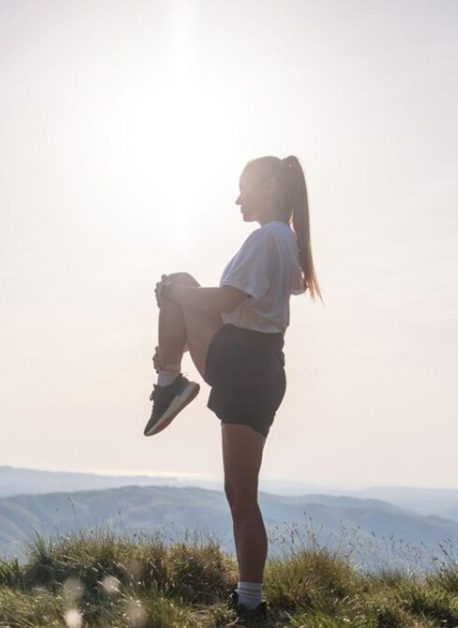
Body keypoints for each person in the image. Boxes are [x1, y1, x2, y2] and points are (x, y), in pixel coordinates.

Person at [144, 155, 322, 617]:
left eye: (243, 188)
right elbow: (244, 304)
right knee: (242, 493)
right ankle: (249, 602)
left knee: (178, 281)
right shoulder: (286, 242)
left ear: (267, 186)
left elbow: (226, 299)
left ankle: (169, 384)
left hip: (242, 359)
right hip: (263, 367)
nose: (237, 198)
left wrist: (174, 296)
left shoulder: (267, 238)